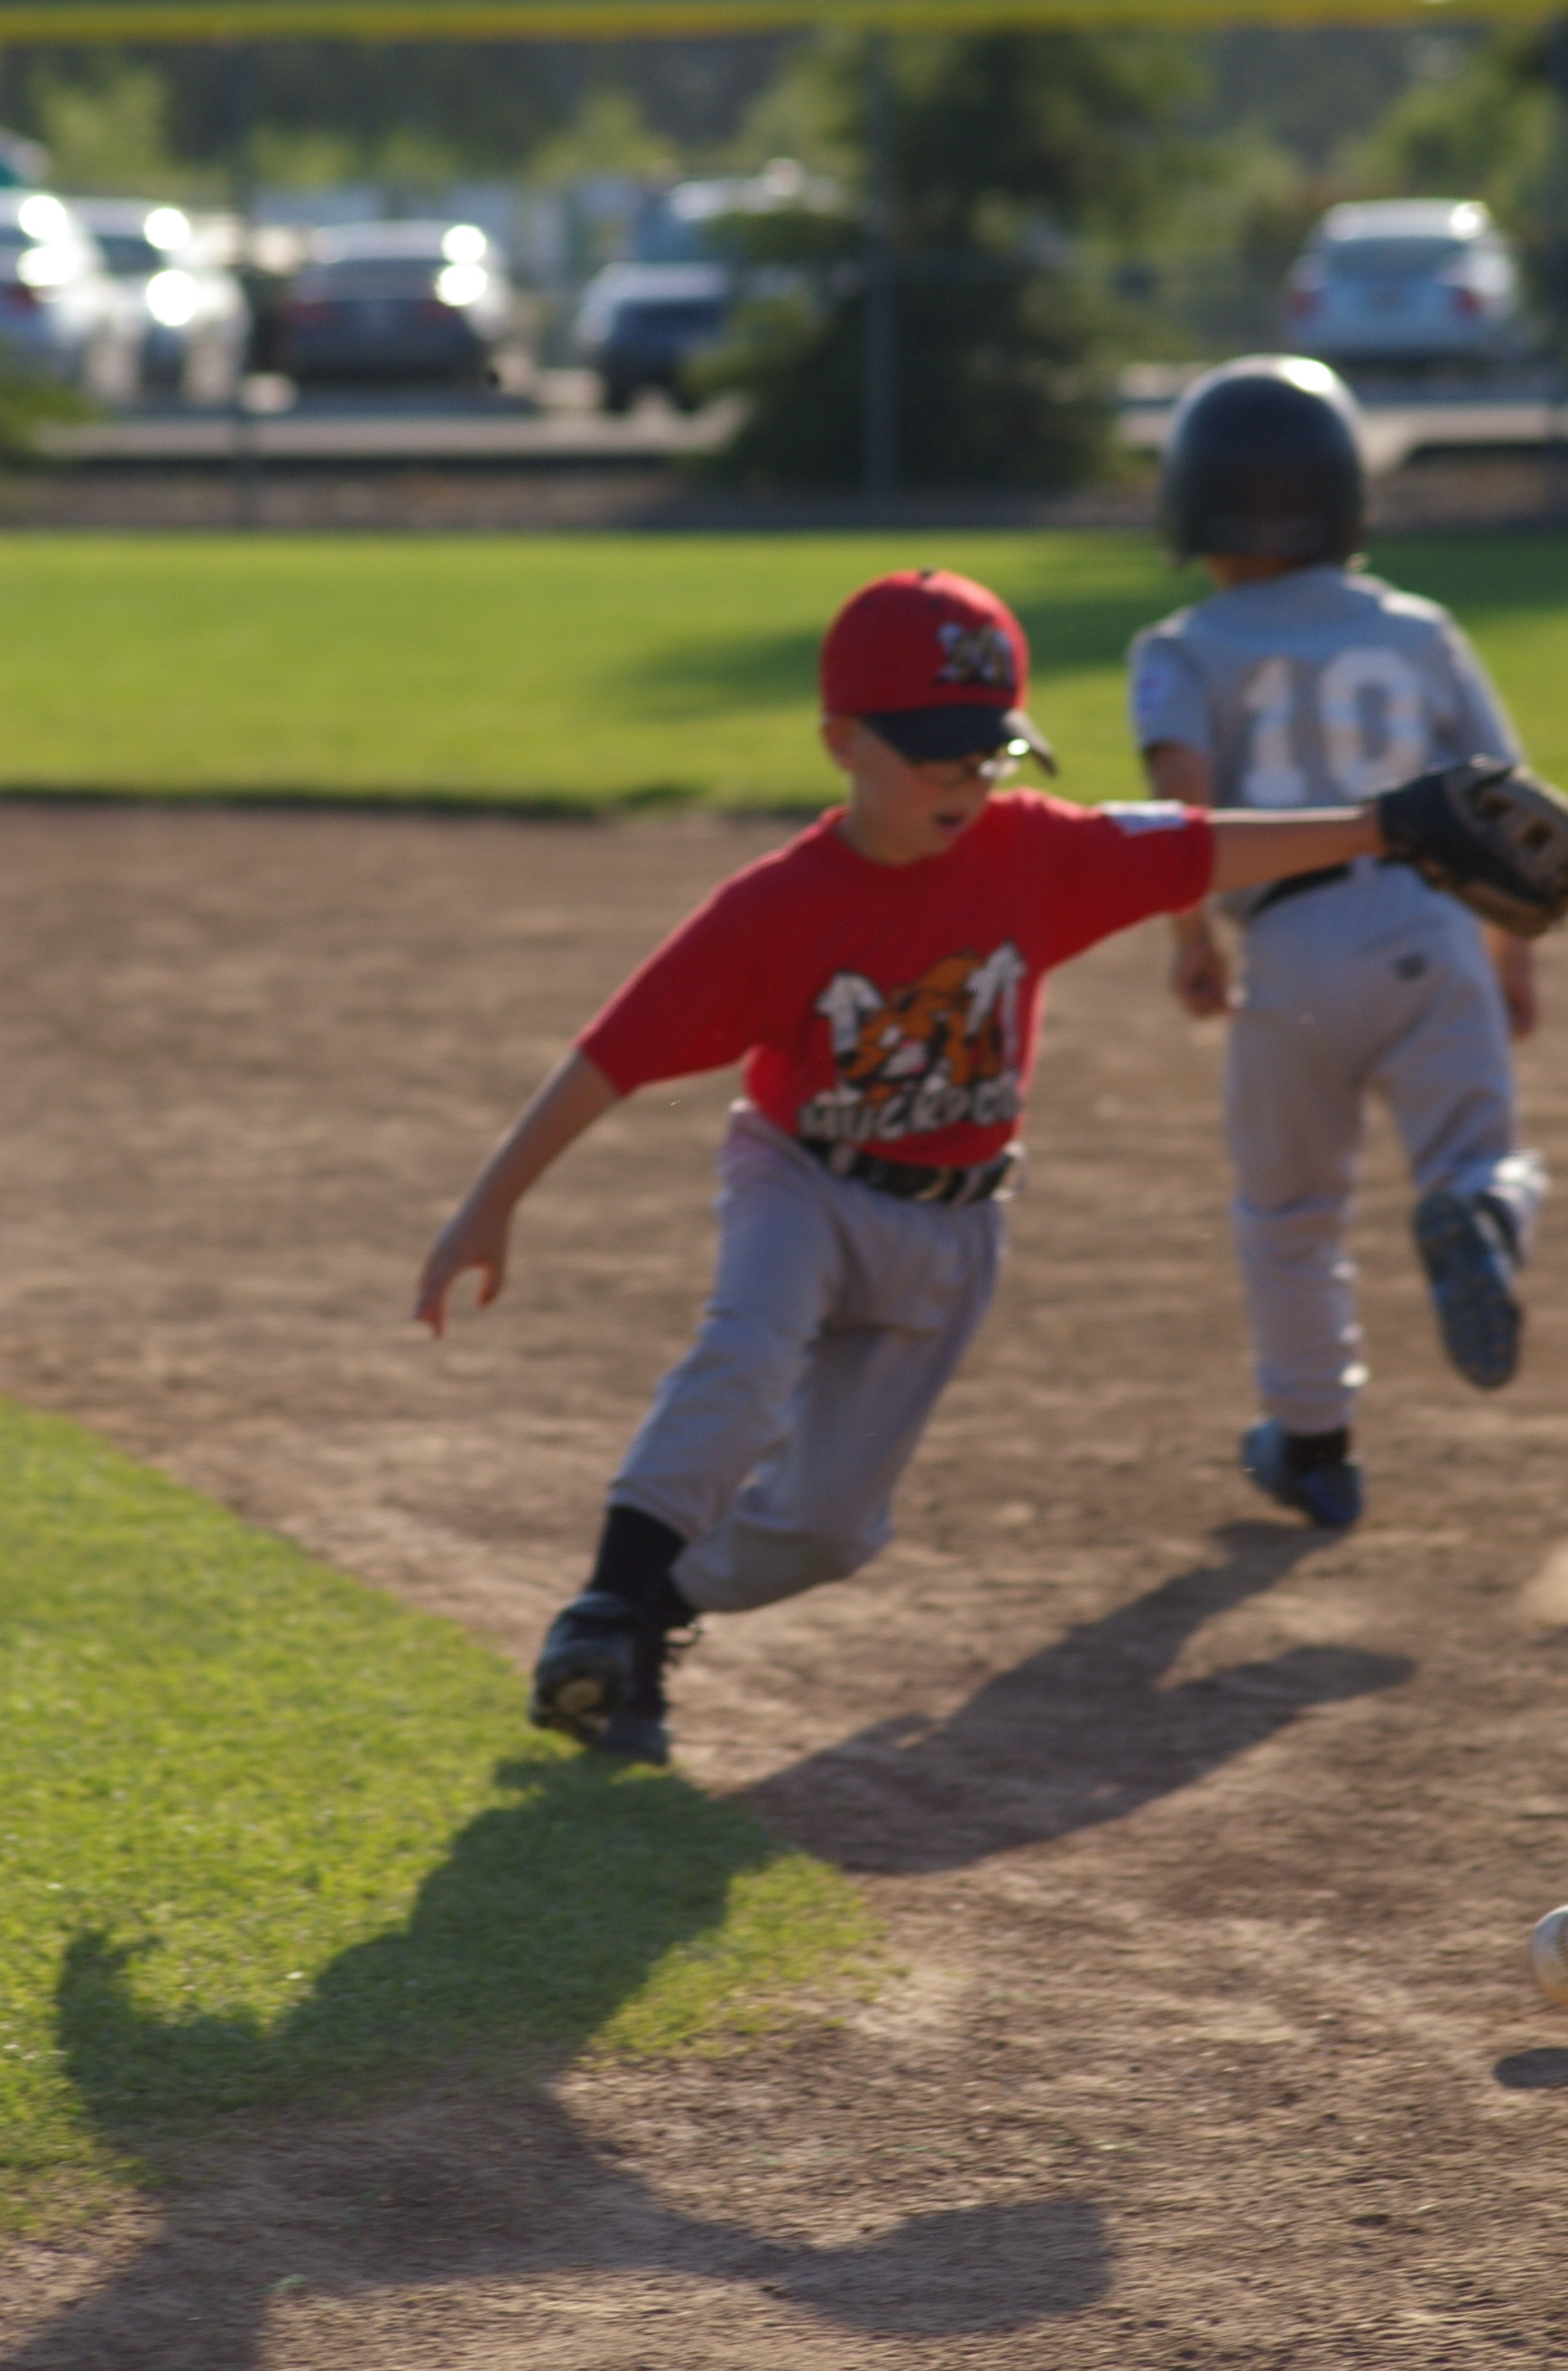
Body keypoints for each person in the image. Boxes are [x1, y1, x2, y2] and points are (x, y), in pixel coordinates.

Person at [415, 567, 1398, 1763]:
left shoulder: (1034, 853)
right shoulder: (775, 909)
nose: (966, 783)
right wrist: (492, 1203)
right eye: (934, 755)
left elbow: (1200, 849)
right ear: (842, 742)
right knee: (746, 1352)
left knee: (829, 1530)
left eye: (989, 754)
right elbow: (612, 1055)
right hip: (803, 1178)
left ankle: (644, 1625)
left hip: (956, 1225)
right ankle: (606, 1603)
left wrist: (1387, 825)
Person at [1130, 355, 1545, 1534]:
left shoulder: (1181, 645)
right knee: (1477, 1154)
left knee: (1289, 1210)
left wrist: (1190, 942)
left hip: (1290, 943)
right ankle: (1488, 1210)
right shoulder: (1418, 630)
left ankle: (1315, 1448)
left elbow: (1182, 805)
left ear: (1191, 505)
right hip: (1432, 924)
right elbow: (1505, 800)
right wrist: (1515, 953)